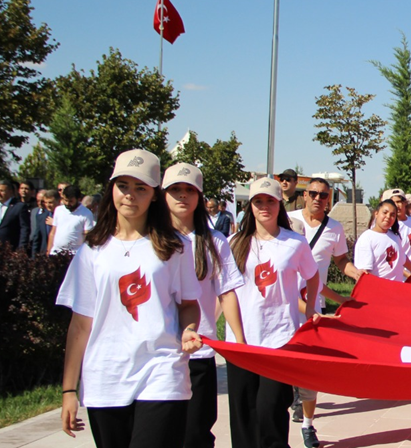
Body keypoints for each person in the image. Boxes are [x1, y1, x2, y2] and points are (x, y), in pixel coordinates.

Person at [57, 149, 203, 447]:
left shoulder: (174, 247)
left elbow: (189, 303)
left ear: (154, 195)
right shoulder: (92, 251)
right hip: (105, 375)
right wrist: (69, 391)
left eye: (140, 188)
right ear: (111, 189)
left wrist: (188, 330)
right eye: (123, 185)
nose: (130, 195)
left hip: (162, 372)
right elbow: (80, 324)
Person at [226, 176, 320, 448]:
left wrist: (311, 308)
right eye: (258, 201)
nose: (264, 206)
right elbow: (226, 291)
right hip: (241, 343)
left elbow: (312, 277)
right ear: (250, 206)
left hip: (279, 342)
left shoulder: (295, 243)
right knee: (243, 417)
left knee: (270, 412)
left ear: (279, 204)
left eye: (270, 201)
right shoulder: (234, 243)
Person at [162, 163, 248, 448]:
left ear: (200, 197)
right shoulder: (151, 240)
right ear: (162, 194)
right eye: (175, 189)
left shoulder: (214, 241)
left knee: (196, 433)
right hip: (157, 355)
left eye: (190, 190)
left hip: (199, 352)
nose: (182, 196)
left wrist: (239, 339)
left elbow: (227, 293)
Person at [287, 177, 359, 447]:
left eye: (324, 195)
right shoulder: (288, 219)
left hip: (311, 308)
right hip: (280, 304)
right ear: (304, 195)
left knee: (309, 368)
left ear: (330, 199)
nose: (319, 198)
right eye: (314, 193)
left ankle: (307, 425)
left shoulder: (335, 228)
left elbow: (341, 260)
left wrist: (357, 276)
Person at [355, 199, 411, 282]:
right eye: (385, 213)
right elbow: (364, 273)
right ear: (376, 214)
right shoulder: (367, 238)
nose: (388, 217)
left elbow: (402, 258)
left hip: (396, 290)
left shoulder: (395, 237)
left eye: (392, 215)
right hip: (378, 290)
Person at [48, 185, 96, 255]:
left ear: (78, 199)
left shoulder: (86, 213)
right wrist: (49, 250)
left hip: (74, 254)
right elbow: (53, 232)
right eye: (65, 200)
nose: (67, 203)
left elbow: (87, 236)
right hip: (55, 252)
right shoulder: (58, 210)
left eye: (71, 201)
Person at [0, 179, 29, 251]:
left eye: (2, 191)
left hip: (9, 249)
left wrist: (21, 249)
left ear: (10, 191)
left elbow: (24, 229)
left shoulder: (19, 207)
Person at [30, 190, 55, 256]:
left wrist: (55, 223)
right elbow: (37, 239)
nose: (47, 205)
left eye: (50, 202)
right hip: (44, 254)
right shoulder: (41, 216)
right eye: (46, 202)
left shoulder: (63, 216)